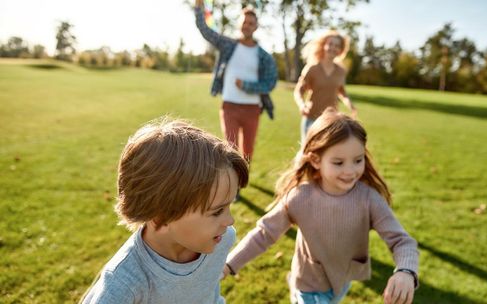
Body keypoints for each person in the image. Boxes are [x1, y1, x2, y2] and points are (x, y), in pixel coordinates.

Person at [223, 109, 419, 304]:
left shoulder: (369, 199)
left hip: (341, 281)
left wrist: (405, 271)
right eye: (338, 162)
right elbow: (264, 234)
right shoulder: (300, 197)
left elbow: (402, 241)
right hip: (309, 284)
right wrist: (230, 264)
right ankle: (296, 288)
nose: (350, 171)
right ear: (316, 160)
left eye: (358, 160)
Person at [80, 118, 249, 303]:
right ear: (162, 214)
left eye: (229, 206)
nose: (230, 221)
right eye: (217, 212)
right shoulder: (123, 284)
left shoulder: (222, 241)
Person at [194, 0, 278, 163]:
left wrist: (247, 86)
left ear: (256, 27)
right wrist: (198, 7)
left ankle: (241, 182)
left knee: (247, 152)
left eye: (251, 23)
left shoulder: (264, 56)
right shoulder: (228, 45)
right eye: (244, 22)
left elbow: (270, 83)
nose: (247, 25)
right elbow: (205, 30)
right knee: (230, 151)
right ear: (240, 24)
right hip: (229, 106)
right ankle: (234, 188)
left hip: (252, 109)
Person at [294, 31, 357, 143]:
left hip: (331, 120)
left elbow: (342, 91)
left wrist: (349, 103)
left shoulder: (341, 71)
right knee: (307, 154)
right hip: (311, 118)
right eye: (330, 44)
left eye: (337, 46)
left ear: (340, 50)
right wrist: (301, 105)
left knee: (327, 156)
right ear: (324, 45)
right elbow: (298, 91)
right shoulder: (312, 68)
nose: (333, 48)